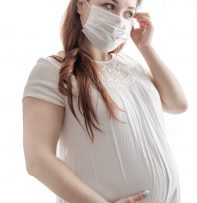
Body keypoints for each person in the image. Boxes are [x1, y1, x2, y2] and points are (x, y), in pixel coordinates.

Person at [22, 0, 188, 202]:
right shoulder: (52, 70)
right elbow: (38, 160)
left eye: (128, 13)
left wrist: (146, 47)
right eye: (109, 6)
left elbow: (177, 104)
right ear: (81, 4)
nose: (118, 19)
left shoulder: (130, 65)